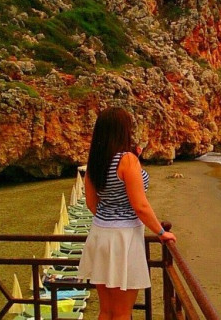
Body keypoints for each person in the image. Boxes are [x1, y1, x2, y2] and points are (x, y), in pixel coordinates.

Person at [78, 107, 176, 320]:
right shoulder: (127, 160)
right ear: (124, 130)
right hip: (124, 239)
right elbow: (140, 206)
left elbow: (92, 204)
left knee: (106, 311)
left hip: (99, 235)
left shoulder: (95, 161)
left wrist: (109, 214)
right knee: (123, 312)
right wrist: (161, 232)